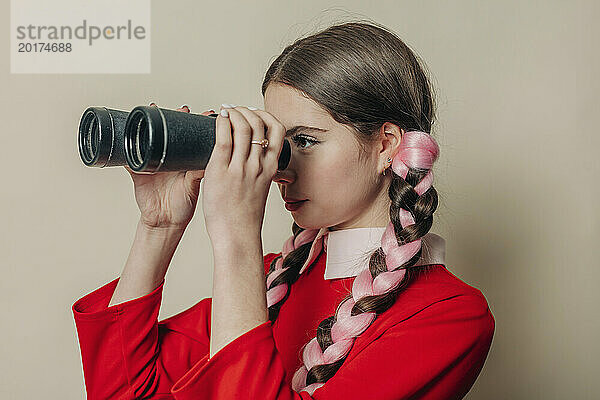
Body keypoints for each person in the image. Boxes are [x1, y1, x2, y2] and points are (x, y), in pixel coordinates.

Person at [72, 21, 495, 399]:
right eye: (278, 145)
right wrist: (158, 225)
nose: (280, 169)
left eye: (305, 141)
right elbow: (124, 392)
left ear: (385, 145)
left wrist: (237, 237)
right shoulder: (275, 280)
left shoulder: (449, 315)